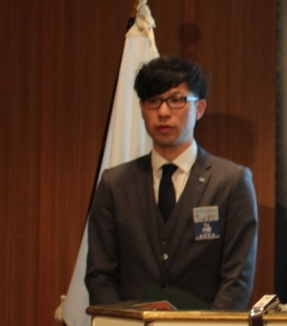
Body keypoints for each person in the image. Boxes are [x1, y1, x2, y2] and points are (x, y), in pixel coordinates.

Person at [86, 56, 258, 311]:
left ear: (199, 108)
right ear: (142, 108)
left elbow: (237, 279)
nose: (164, 112)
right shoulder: (115, 184)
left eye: (177, 100)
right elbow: (100, 275)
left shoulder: (231, 182)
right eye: (153, 101)